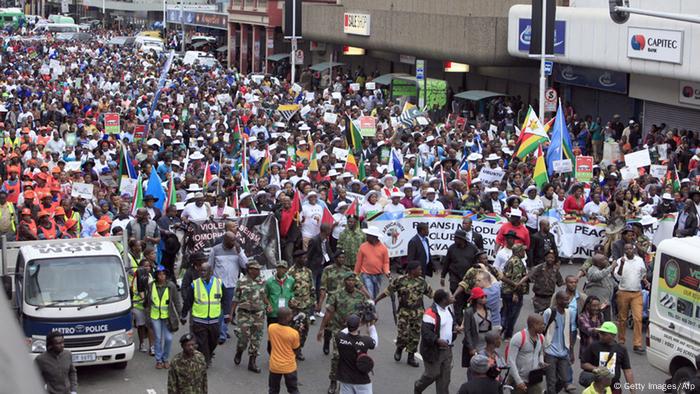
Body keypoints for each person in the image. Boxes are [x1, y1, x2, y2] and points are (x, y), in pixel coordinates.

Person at [375, 260, 433, 368]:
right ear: (412, 270)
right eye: (419, 269)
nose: (421, 271)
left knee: (415, 336)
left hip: (417, 312)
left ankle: (411, 357)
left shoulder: (422, 282)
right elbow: (388, 291)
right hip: (404, 312)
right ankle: (399, 348)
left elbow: (432, 294)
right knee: (403, 334)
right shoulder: (400, 280)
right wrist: (376, 300)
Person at [317, 272, 368, 394]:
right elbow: (329, 313)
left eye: (353, 280)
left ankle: (351, 382)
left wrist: (368, 325)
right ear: (344, 281)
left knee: (355, 356)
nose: (351, 282)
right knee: (336, 356)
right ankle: (333, 382)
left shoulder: (361, 296)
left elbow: (366, 313)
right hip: (339, 330)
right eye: (348, 280)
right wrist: (321, 329)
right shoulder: (337, 295)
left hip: (355, 332)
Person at [209, 231, 248, 345]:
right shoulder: (215, 250)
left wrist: (240, 252)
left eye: (235, 239)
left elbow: (246, 265)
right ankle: (219, 331)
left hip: (231, 285)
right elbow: (210, 266)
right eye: (232, 240)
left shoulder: (238, 250)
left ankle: (222, 333)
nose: (234, 242)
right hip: (217, 285)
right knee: (217, 309)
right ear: (225, 240)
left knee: (227, 311)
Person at [180, 262, 223, 366]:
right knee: (202, 342)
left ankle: (209, 353)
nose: (202, 273)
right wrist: (184, 314)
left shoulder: (219, 283)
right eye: (200, 271)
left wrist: (226, 314)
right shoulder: (194, 284)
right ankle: (206, 360)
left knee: (214, 340)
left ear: (210, 272)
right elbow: (188, 301)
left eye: (204, 271)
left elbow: (225, 299)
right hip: (199, 320)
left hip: (214, 319)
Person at [414, 289, 456, 394]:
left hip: (447, 350)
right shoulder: (430, 313)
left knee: (445, 379)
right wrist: (437, 340)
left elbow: (451, 324)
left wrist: (456, 329)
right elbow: (426, 333)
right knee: (432, 374)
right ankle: (418, 386)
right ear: (443, 300)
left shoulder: (449, 309)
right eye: (450, 296)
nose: (453, 297)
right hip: (433, 351)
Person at [232, 261, 270, 373]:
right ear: (250, 270)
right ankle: (239, 351)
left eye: (259, 269)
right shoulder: (241, 281)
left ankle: (252, 362)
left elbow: (264, 295)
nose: (259, 271)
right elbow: (235, 298)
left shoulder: (262, 281)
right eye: (256, 269)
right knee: (243, 337)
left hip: (258, 314)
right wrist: (231, 313)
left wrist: (268, 305)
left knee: (256, 338)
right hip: (244, 314)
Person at [581, 322, 636, 394]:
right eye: (600, 333)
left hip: (614, 386)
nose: (600, 335)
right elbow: (583, 364)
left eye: (604, 334)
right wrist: (596, 369)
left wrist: (632, 391)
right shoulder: (593, 346)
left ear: (613, 335)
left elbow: (627, 371)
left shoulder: (621, 349)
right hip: (597, 386)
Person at [613, 243, 648, 354]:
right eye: (626, 249)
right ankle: (621, 341)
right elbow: (618, 276)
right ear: (624, 250)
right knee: (622, 318)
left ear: (633, 249)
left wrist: (645, 280)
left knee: (638, 318)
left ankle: (637, 344)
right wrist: (622, 264)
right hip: (623, 292)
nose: (628, 250)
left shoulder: (639, 260)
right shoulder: (620, 261)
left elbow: (643, 273)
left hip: (637, 293)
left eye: (630, 248)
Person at [146, 265, 182, 369]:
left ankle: (165, 358)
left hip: (167, 317)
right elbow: (148, 302)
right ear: (156, 276)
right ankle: (159, 359)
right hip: (155, 315)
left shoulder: (171, 286)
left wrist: (180, 315)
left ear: (166, 275)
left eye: (163, 274)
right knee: (158, 338)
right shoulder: (151, 286)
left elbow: (176, 301)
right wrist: (147, 316)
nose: (161, 276)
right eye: (159, 274)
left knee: (169, 338)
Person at [440, 228, 479, 325]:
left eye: (456, 238)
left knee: (467, 301)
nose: (454, 239)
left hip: (468, 280)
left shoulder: (473, 248)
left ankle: (466, 319)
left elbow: (477, 263)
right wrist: (442, 276)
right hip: (455, 277)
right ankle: (459, 321)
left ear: (462, 239)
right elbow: (446, 262)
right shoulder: (452, 248)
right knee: (457, 301)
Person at [542, 291, 576, 394]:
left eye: (568, 299)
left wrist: (571, 350)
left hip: (563, 351)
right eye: (565, 299)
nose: (567, 302)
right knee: (551, 380)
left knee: (564, 379)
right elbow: (541, 329)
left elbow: (569, 329)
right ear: (558, 300)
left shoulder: (568, 312)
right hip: (550, 351)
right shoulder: (549, 312)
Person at [336, 314, 378, 393]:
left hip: (346, 379)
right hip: (362, 381)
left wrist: (356, 323)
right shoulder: (366, 340)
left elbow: (344, 331)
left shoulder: (339, 338)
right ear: (358, 326)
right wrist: (371, 326)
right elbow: (375, 344)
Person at [506, 314, 547, 394]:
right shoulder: (518, 338)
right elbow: (510, 361)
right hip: (519, 379)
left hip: (534, 378)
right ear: (533, 325)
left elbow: (540, 352)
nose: (543, 326)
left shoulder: (541, 337)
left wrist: (541, 361)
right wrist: (518, 381)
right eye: (541, 324)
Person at [288, 249, 315, 359]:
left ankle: (299, 348)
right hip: (295, 307)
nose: (305, 260)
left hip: (306, 305)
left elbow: (311, 287)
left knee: (305, 329)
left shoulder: (308, 271)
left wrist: (314, 302)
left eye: (306, 258)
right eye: (303, 258)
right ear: (297, 259)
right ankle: (292, 349)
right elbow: (287, 290)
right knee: (294, 329)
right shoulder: (290, 273)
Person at [268, 307, 301, 394]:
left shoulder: (271, 328)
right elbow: (296, 349)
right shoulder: (294, 333)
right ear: (288, 318)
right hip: (289, 366)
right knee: (293, 390)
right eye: (291, 314)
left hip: (275, 365)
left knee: (273, 390)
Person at [500, 244, 529, 340]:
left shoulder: (511, 260)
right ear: (519, 252)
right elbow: (517, 280)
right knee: (512, 314)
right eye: (523, 251)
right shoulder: (517, 262)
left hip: (506, 291)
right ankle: (507, 334)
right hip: (513, 292)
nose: (524, 253)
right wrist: (515, 293)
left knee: (506, 311)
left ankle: (500, 330)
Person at [354, 226, 390, 300]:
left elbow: (385, 262)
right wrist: (355, 273)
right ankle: (371, 309)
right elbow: (359, 261)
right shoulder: (363, 247)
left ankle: (370, 308)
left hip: (378, 275)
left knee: (374, 294)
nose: (366, 236)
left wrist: (386, 271)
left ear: (374, 237)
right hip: (366, 275)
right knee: (369, 294)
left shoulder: (383, 248)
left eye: (368, 235)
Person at [462, 287, 493, 369]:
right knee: (474, 367)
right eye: (482, 297)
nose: (485, 299)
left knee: (487, 366)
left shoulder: (488, 311)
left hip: (486, 342)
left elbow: (491, 328)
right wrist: (471, 347)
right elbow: (467, 331)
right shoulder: (469, 312)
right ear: (476, 299)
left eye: (485, 296)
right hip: (475, 343)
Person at [525, 249, 564, 313]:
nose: (550, 259)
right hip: (539, 298)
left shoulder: (555, 270)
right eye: (548, 257)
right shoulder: (538, 268)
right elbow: (529, 278)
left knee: (548, 317)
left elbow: (560, 283)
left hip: (550, 299)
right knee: (539, 318)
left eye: (552, 258)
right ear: (545, 258)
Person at [584, 254, 617, 321]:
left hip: (606, 302)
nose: (606, 261)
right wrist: (612, 267)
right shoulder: (592, 270)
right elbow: (598, 275)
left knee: (607, 324)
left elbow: (610, 281)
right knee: (597, 322)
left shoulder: (605, 269)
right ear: (598, 264)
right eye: (603, 260)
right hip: (596, 305)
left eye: (605, 259)